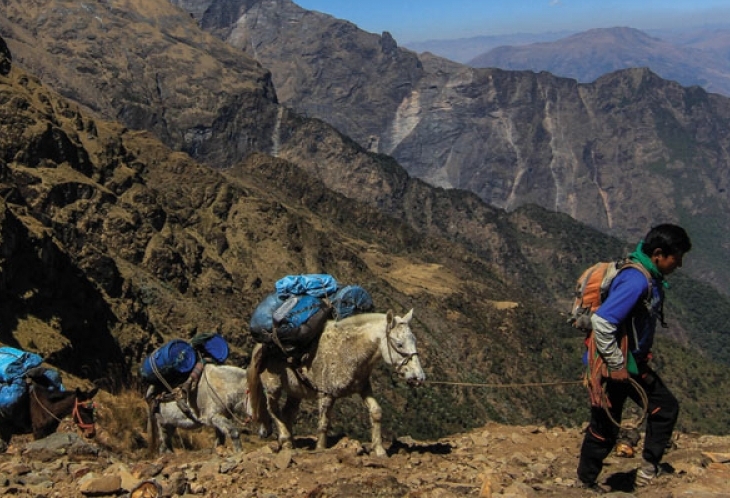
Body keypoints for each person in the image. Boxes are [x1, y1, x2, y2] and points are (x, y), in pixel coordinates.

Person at [576, 224, 692, 493]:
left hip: (630, 362)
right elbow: (603, 323)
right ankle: (587, 481)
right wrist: (616, 365)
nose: (680, 264)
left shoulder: (645, 274)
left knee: (663, 407)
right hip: (613, 365)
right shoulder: (637, 281)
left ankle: (644, 470)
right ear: (659, 254)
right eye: (677, 257)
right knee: (606, 424)